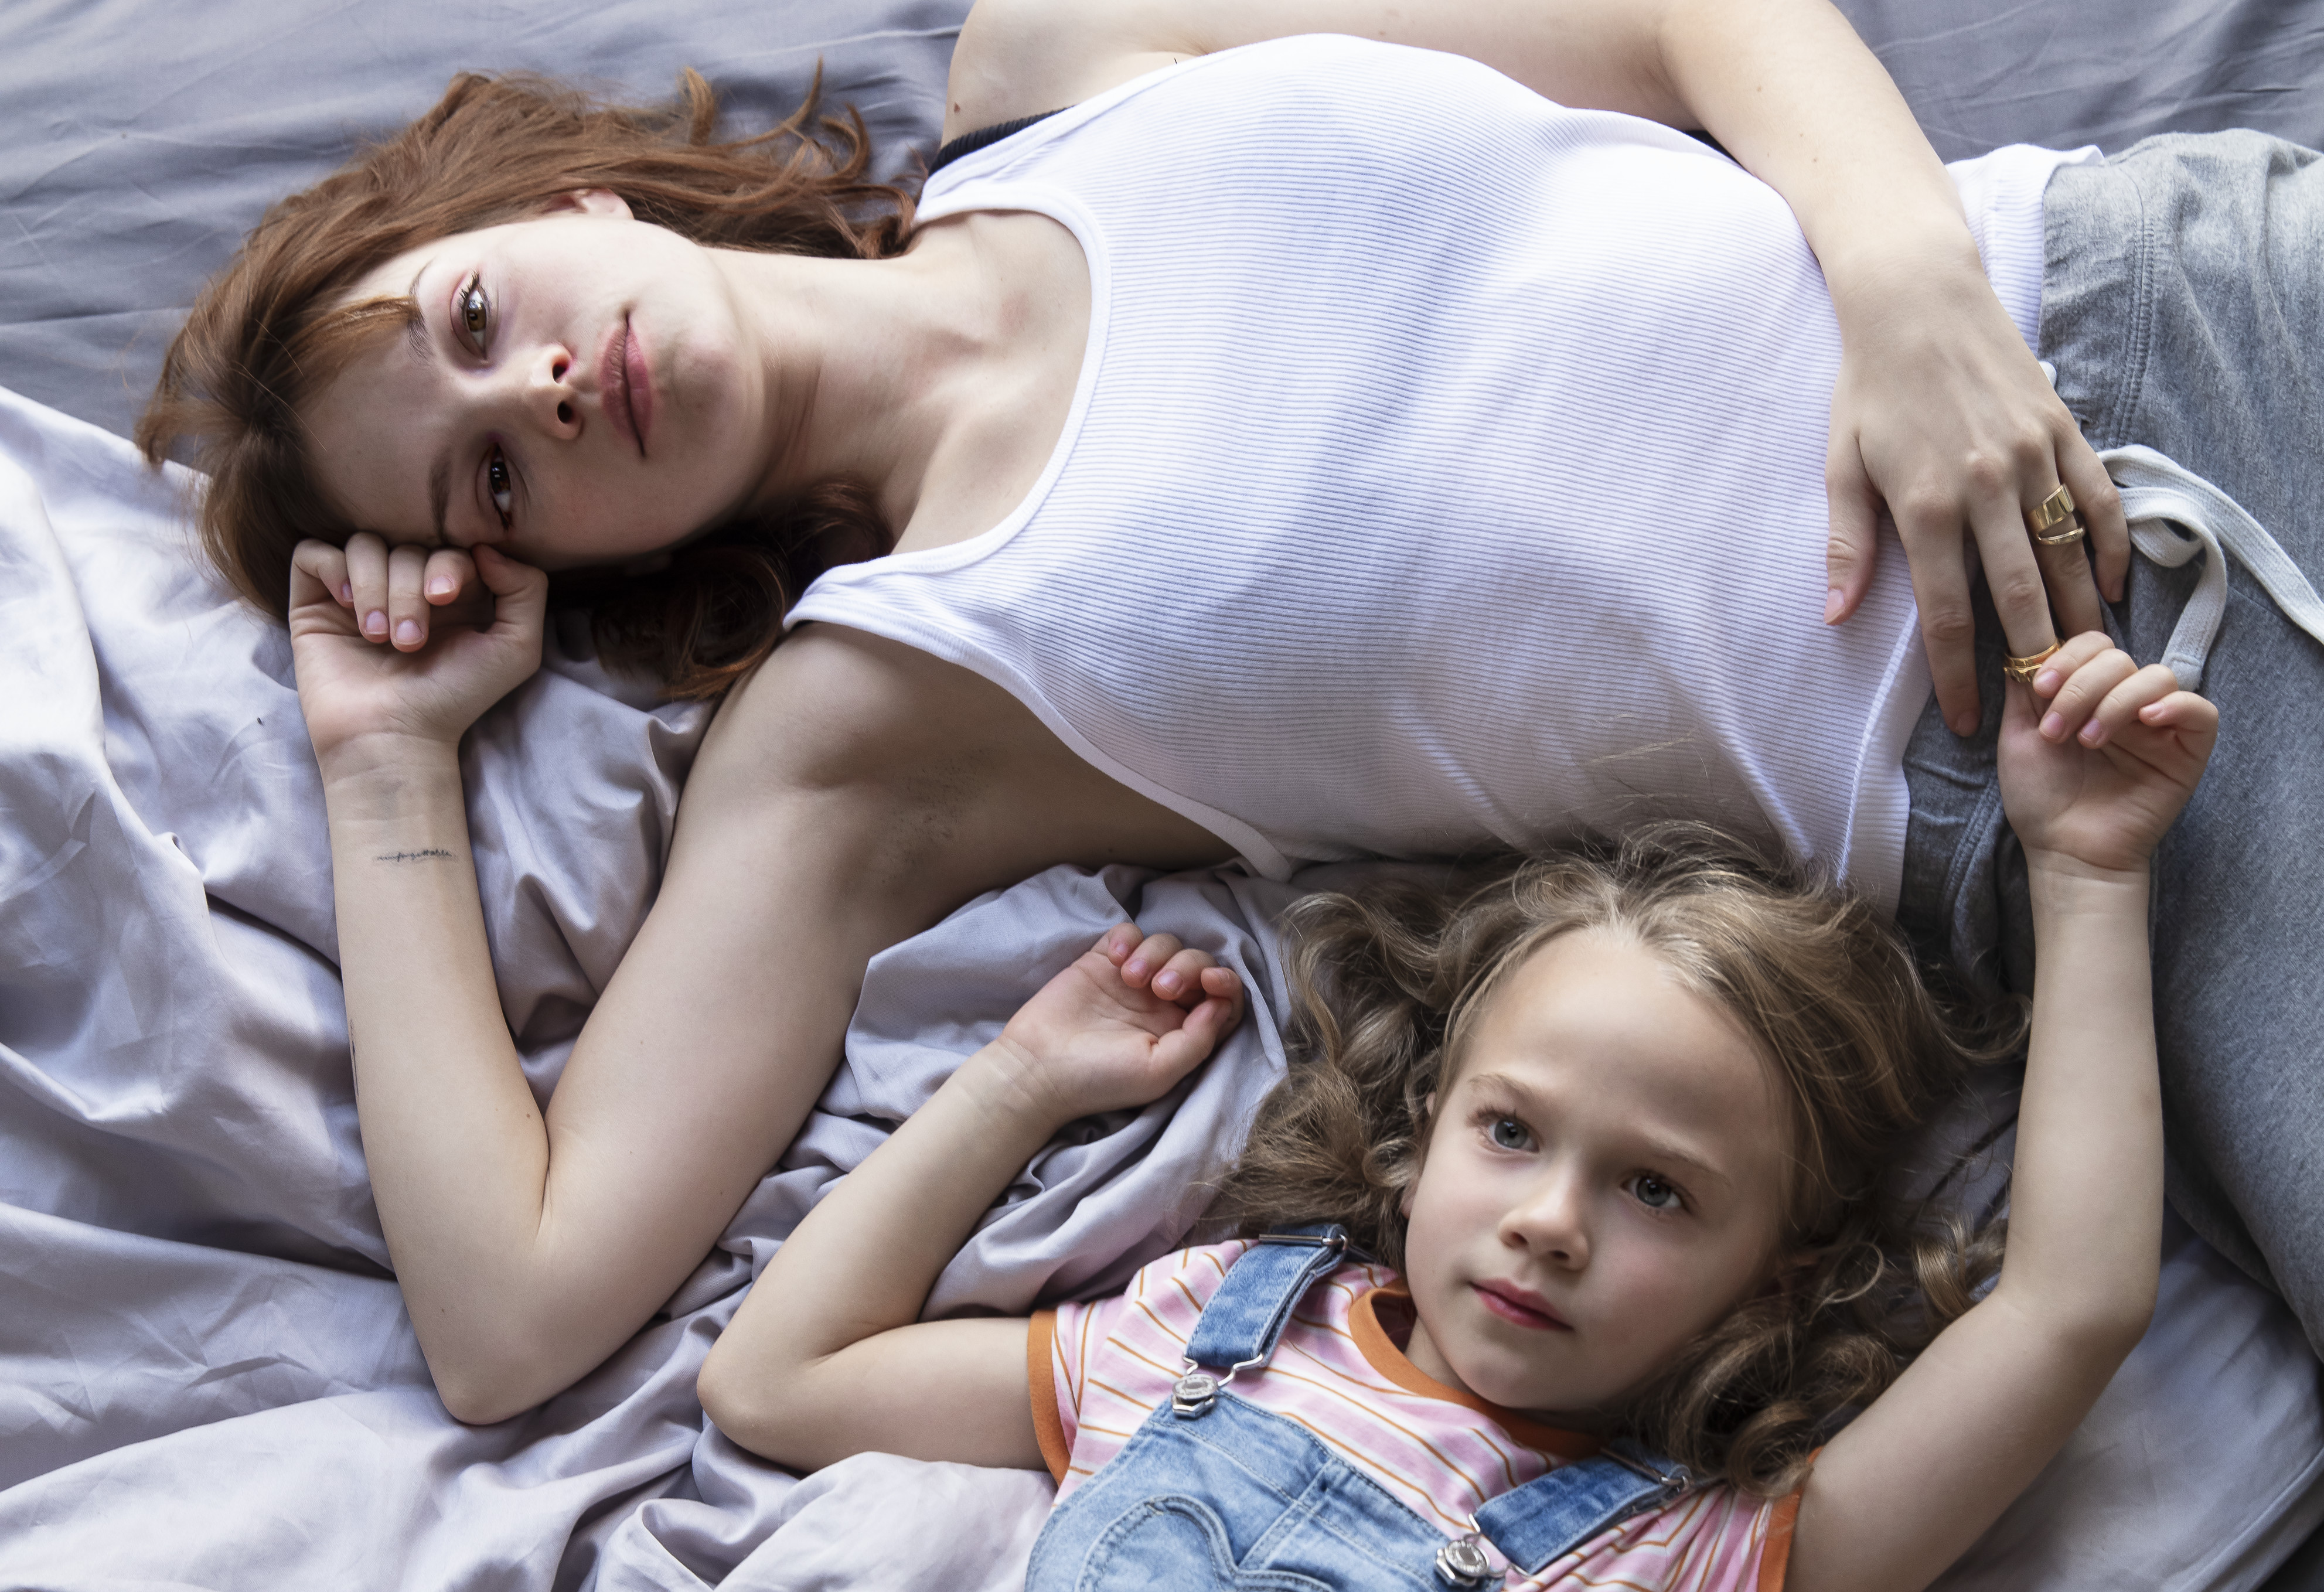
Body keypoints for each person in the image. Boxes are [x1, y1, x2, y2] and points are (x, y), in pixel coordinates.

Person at [134, 0, 2324, 1425]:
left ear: (553, 203)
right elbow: (515, 1318)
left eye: (481, 316)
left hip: (2132, 292)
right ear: (544, 560)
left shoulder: (1051, 69)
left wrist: (1905, 280)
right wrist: (387, 763)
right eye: (488, 475)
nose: (539, 388)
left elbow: (1681, 20)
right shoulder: (867, 722)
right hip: (2090, 787)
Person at [692, 634, 2214, 1592]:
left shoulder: (1697, 1555)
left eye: (1659, 1191)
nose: (1550, 1222)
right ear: (1422, 1140)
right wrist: (1021, 1085)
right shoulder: (1207, 1344)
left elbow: (2069, 1308)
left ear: (1782, 1272)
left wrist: (2085, 877)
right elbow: (778, 1379)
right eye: (1512, 1133)